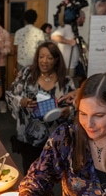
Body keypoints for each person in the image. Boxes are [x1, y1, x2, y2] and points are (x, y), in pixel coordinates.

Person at [5, 41, 76, 173]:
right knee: (30, 175)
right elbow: (10, 94)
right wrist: (22, 101)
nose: (44, 61)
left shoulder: (65, 81)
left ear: (56, 60)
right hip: (29, 138)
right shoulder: (27, 73)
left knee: (50, 178)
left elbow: (76, 108)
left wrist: (68, 112)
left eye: (49, 58)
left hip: (54, 142)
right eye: (41, 57)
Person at [51, 10, 86, 76]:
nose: (84, 21)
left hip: (72, 66)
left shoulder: (74, 29)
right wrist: (69, 42)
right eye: (83, 18)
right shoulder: (67, 27)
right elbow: (54, 37)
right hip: (66, 67)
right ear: (79, 18)